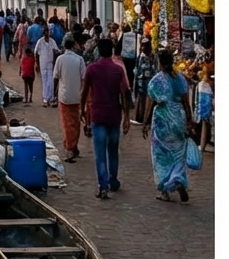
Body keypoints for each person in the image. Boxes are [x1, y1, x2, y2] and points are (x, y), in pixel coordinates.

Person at [79, 37, 131, 199]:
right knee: (113, 150)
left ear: (99, 51)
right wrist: (127, 117)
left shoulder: (92, 69)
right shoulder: (118, 70)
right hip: (114, 115)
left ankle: (103, 186)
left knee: (100, 153)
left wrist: (82, 109)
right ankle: (113, 180)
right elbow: (124, 94)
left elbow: (84, 91)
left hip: (98, 114)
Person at [143, 48, 193, 202]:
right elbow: (186, 102)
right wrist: (189, 121)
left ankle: (164, 190)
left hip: (162, 121)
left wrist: (145, 123)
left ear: (159, 62)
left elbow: (149, 104)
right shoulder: (180, 79)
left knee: (160, 155)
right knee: (178, 154)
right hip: (178, 118)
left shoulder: (156, 81)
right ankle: (177, 179)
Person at [53, 36, 86, 162]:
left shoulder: (60, 59)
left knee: (67, 124)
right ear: (73, 46)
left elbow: (56, 77)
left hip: (64, 96)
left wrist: (54, 93)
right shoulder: (79, 59)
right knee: (76, 123)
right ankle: (73, 146)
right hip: (77, 96)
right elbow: (84, 78)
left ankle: (70, 147)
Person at [131, 39, 155, 123]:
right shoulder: (141, 56)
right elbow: (138, 68)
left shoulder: (152, 56)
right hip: (142, 80)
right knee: (141, 98)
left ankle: (146, 117)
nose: (143, 47)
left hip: (148, 80)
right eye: (142, 45)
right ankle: (141, 117)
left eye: (145, 46)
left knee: (147, 98)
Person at [34, 29, 60, 107]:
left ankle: (50, 97)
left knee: (51, 81)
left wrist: (59, 52)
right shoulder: (40, 42)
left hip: (50, 64)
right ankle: (45, 98)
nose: (47, 34)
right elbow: (36, 53)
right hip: (43, 64)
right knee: (45, 81)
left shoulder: (52, 41)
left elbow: (56, 50)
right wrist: (37, 64)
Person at [195, 65, 214, 153]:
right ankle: (203, 145)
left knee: (205, 122)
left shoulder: (203, 83)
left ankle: (202, 145)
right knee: (205, 122)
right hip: (206, 90)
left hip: (205, 90)